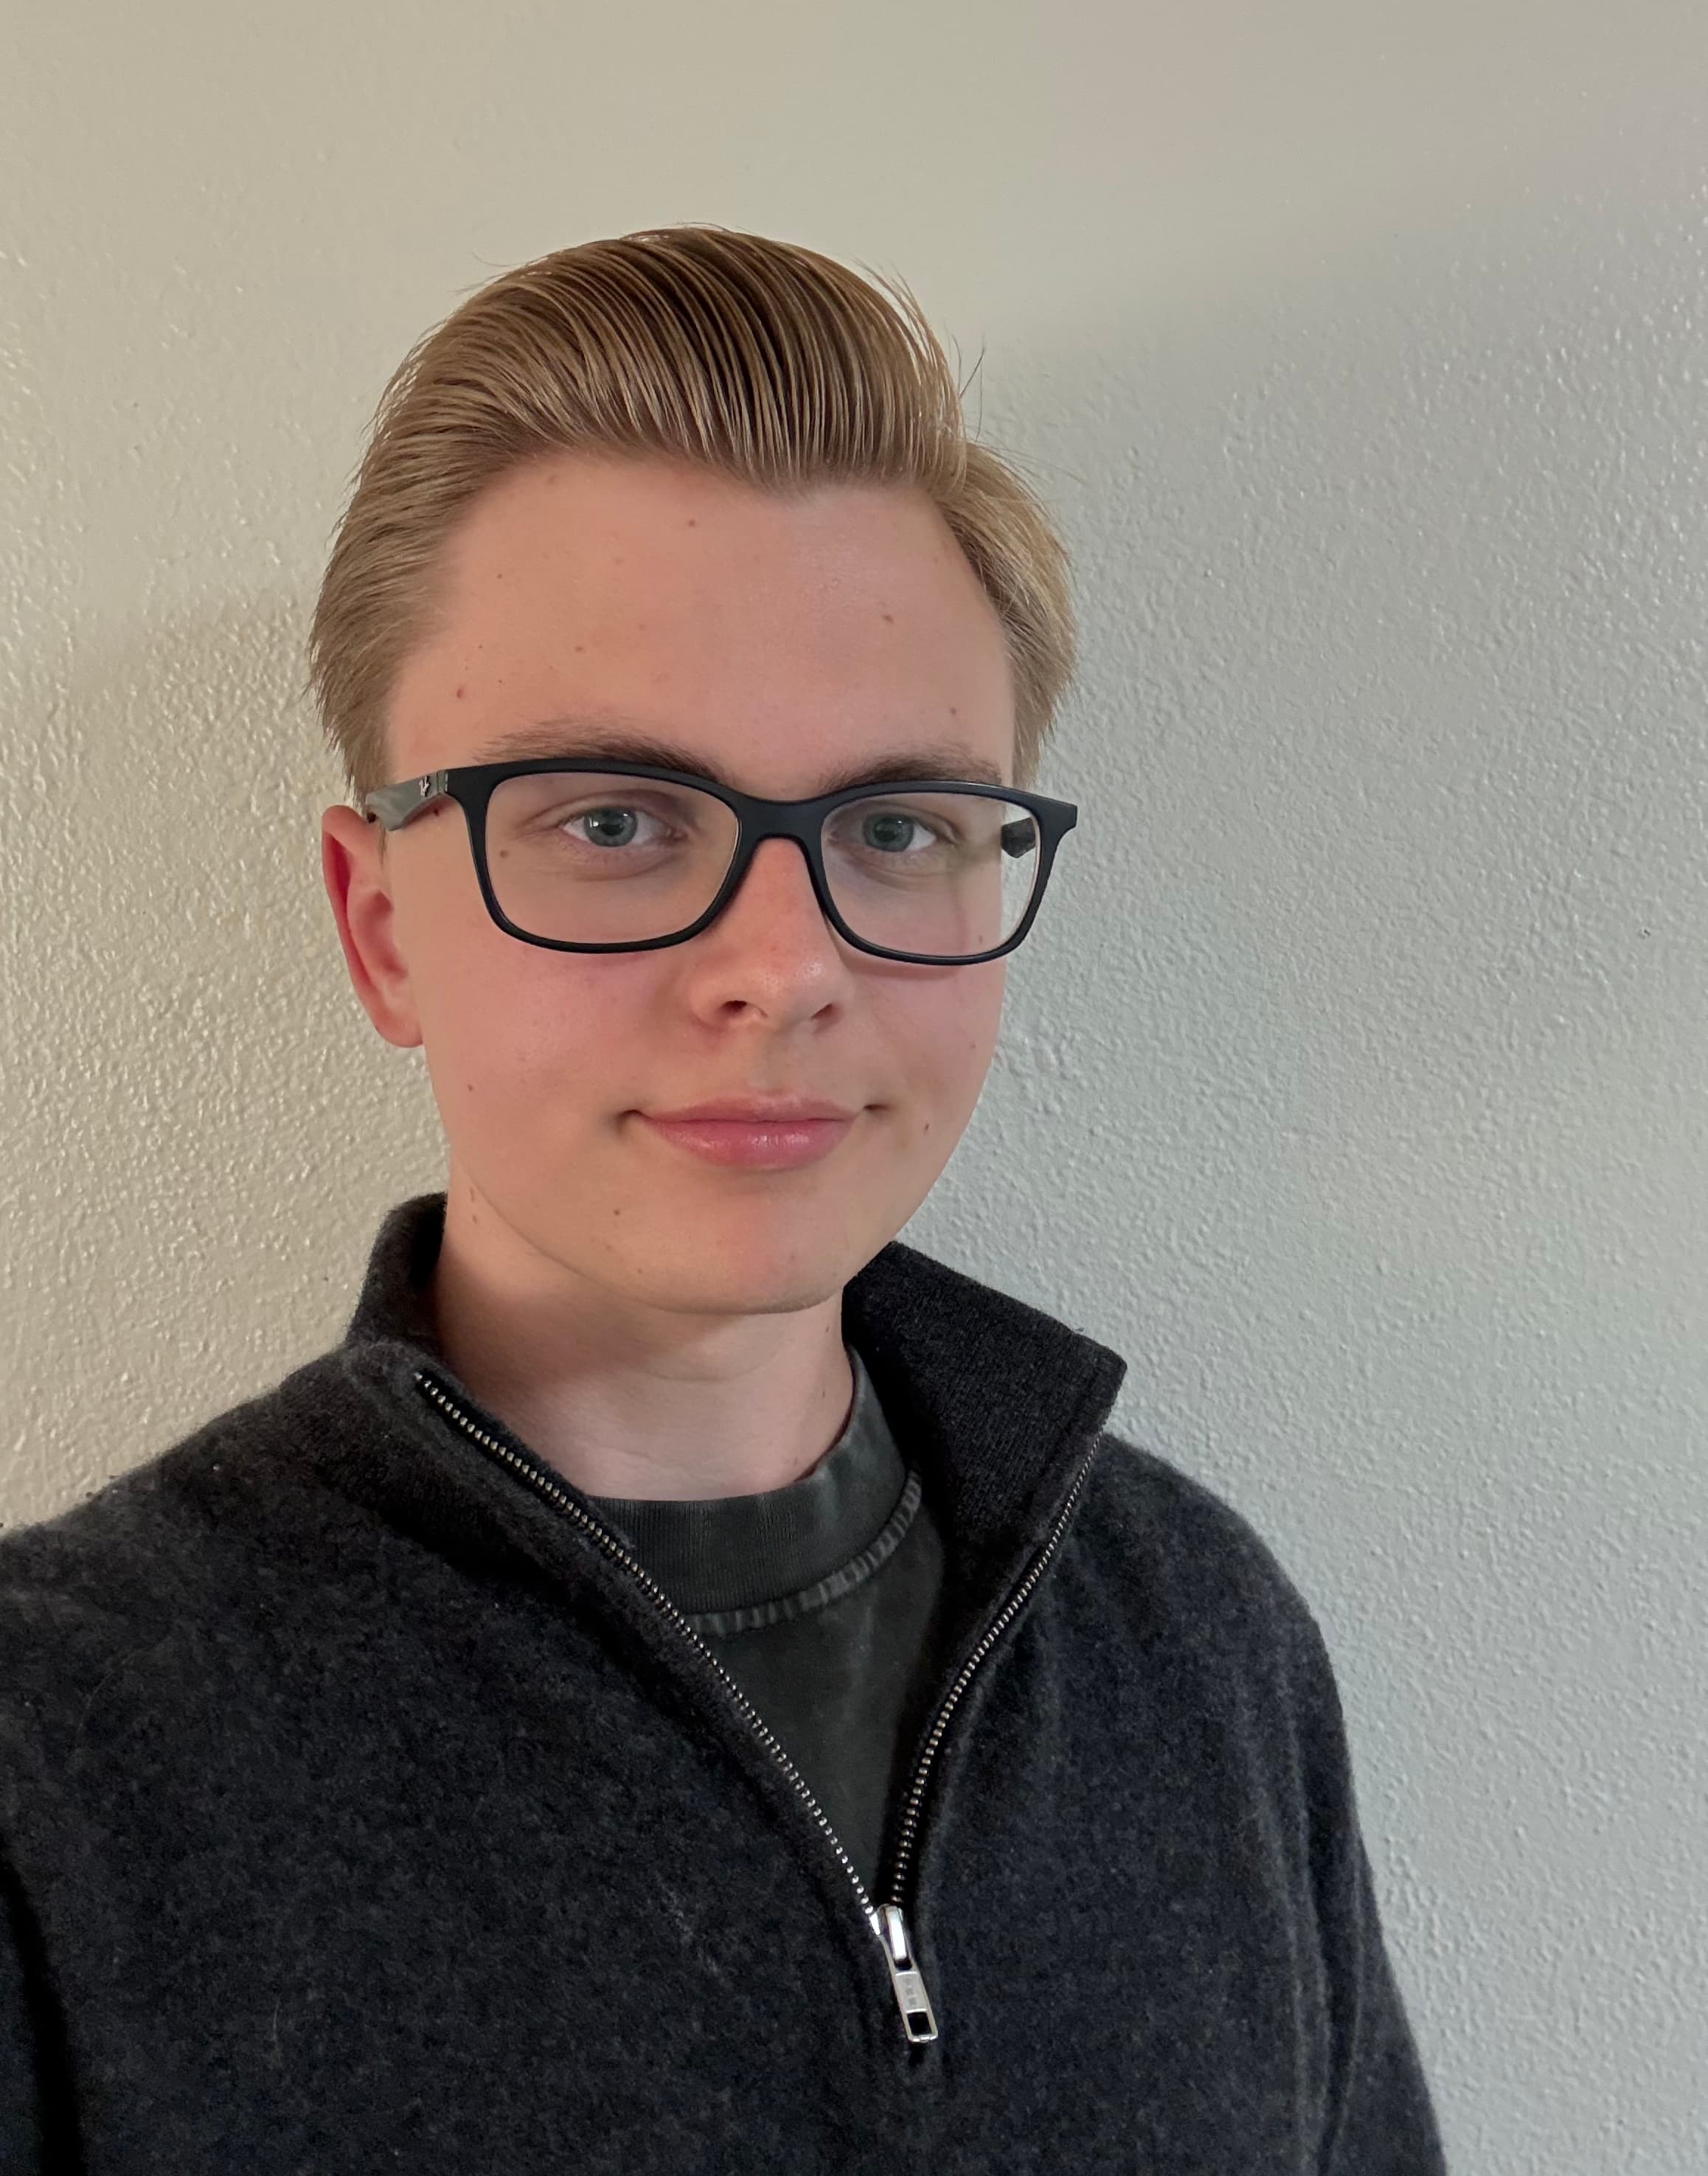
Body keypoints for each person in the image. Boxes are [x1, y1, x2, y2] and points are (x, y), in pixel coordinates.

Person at [0, 227, 1445, 2172]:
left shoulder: (1197, 1641)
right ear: (379, 927)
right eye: (611, 820)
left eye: (898, 827)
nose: (782, 963)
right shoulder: (58, 1762)